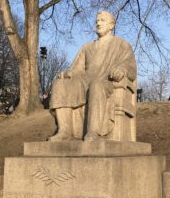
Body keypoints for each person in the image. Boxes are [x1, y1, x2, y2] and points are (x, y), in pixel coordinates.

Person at [49, 11, 136, 141]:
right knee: (60, 84)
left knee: (96, 84)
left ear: (112, 25)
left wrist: (122, 69)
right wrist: (67, 74)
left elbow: (131, 68)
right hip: (85, 81)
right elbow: (77, 70)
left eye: (102, 20)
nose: (98, 23)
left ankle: (93, 132)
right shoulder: (87, 47)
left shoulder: (122, 45)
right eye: (97, 21)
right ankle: (65, 131)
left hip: (107, 81)